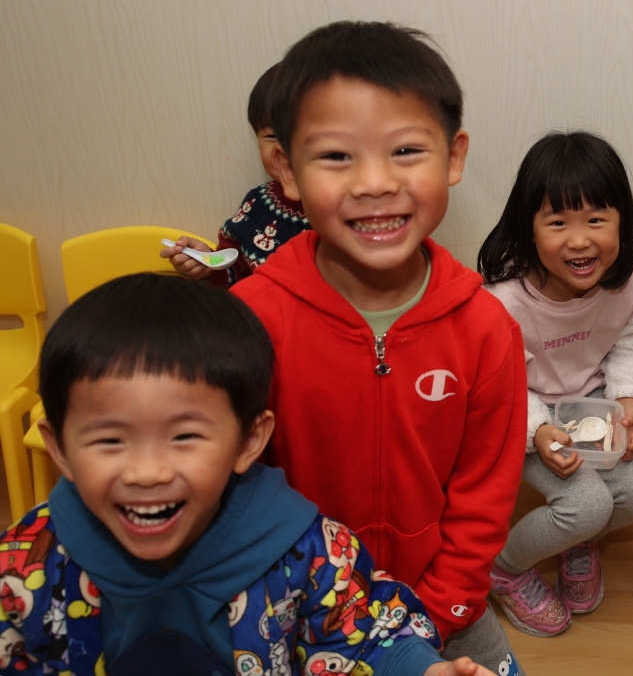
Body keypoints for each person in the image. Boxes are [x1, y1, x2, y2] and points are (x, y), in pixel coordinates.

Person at [4, 273, 494, 676]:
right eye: (110, 440)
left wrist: (424, 669)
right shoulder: (24, 564)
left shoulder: (312, 552)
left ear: (248, 442)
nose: (147, 472)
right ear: (59, 447)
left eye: (184, 437)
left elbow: (367, 640)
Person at [232, 22, 527, 675]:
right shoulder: (251, 319)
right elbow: (232, 485)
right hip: (297, 603)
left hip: (441, 598)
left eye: (406, 150)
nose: (373, 182)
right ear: (286, 169)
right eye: (337, 156)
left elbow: (484, 494)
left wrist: (437, 613)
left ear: (454, 156)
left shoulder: (486, 328)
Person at [477, 131, 633, 637]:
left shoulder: (632, 288)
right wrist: (538, 431)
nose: (579, 240)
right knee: (587, 506)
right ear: (529, 227)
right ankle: (503, 568)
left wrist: (627, 400)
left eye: (596, 220)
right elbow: (499, 386)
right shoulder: (502, 303)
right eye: (558, 222)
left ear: (623, 220)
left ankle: (577, 542)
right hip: (524, 415)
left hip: (594, 403)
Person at [161, 62, 310, 287]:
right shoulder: (258, 204)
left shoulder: (352, 213)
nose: (285, 149)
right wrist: (208, 266)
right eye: (271, 136)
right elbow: (236, 271)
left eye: (307, 136)